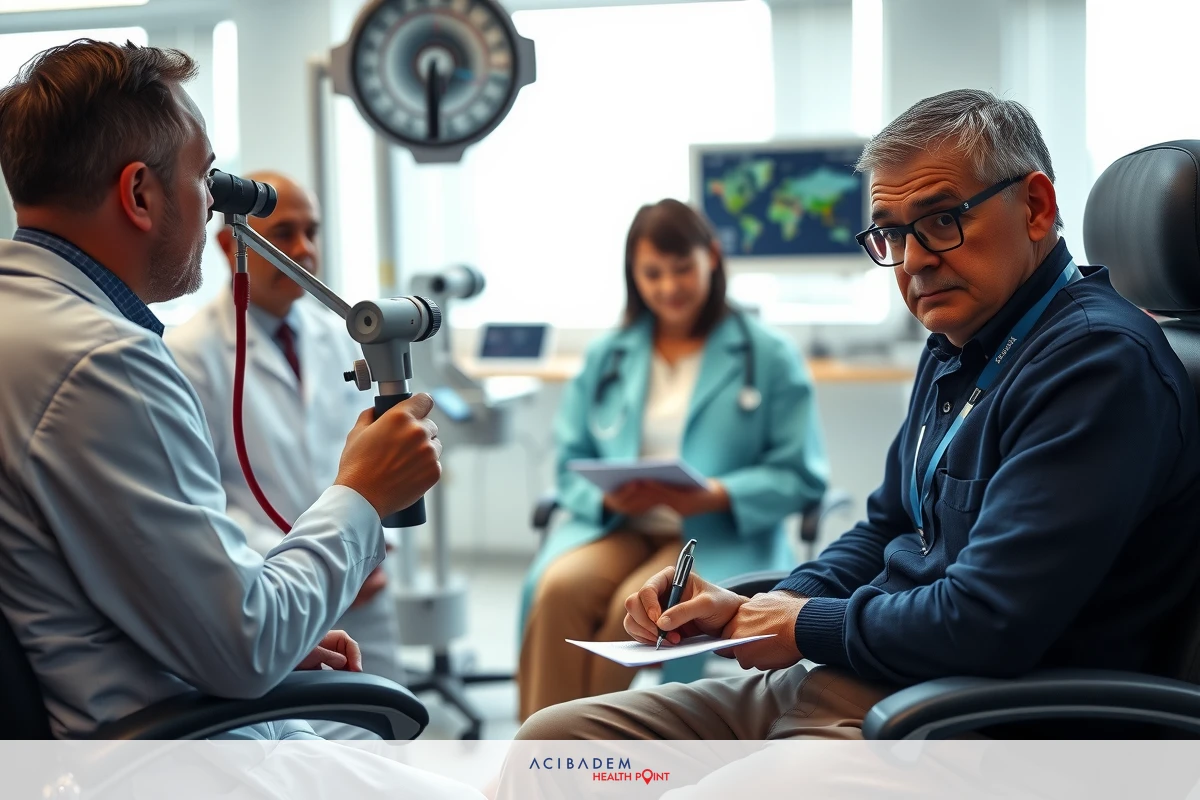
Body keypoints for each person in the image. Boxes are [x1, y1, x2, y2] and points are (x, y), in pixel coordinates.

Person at [510, 88, 1200, 745]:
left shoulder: (1095, 366)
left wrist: (805, 624)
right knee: (555, 745)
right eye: (892, 235)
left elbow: (989, 621)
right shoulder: (958, 346)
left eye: (941, 221)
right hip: (865, 670)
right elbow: (889, 527)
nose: (915, 262)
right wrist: (759, 607)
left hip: (969, 717)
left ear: (1037, 208)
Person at [0, 37, 468, 776]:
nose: (214, 199)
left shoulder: (25, 325)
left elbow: (93, 588)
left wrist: (258, 623)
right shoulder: (104, 363)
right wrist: (361, 495)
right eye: (203, 174)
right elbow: (245, 646)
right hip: (190, 763)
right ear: (140, 195)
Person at [516, 199, 829, 720]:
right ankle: (538, 762)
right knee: (557, 590)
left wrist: (716, 493)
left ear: (711, 257)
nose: (669, 287)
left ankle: (591, 768)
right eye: (652, 274)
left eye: (682, 268)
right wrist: (606, 492)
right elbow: (571, 459)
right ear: (633, 275)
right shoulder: (608, 356)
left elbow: (801, 476)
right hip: (618, 523)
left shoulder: (768, 355)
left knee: (632, 607)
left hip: (714, 533)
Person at [165, 171, 406, 736]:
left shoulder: (337, 335)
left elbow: (357, 457)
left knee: (386, 729)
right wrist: (318, 552)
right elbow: (205, 502)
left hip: (362, 582)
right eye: (286, 233)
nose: (305, 250)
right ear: (231, 243)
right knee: (312, 749)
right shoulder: (187, 355)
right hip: (272, 587)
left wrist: (371, 537)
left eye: (312, 232)